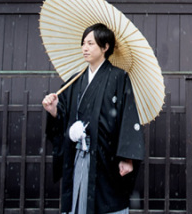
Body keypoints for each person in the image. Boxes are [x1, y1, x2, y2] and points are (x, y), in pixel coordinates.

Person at [42, 23, 144, 214]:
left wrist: (127, 157)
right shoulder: (76, 80)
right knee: (77, 198)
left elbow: (128, 117)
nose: (85, 48)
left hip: (106, 155)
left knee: (105, 200)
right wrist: (54, 110)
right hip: (78, 154)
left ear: (105, 47)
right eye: (83, 43)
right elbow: (63, 114)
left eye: (90, 43)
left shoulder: (118, 77)